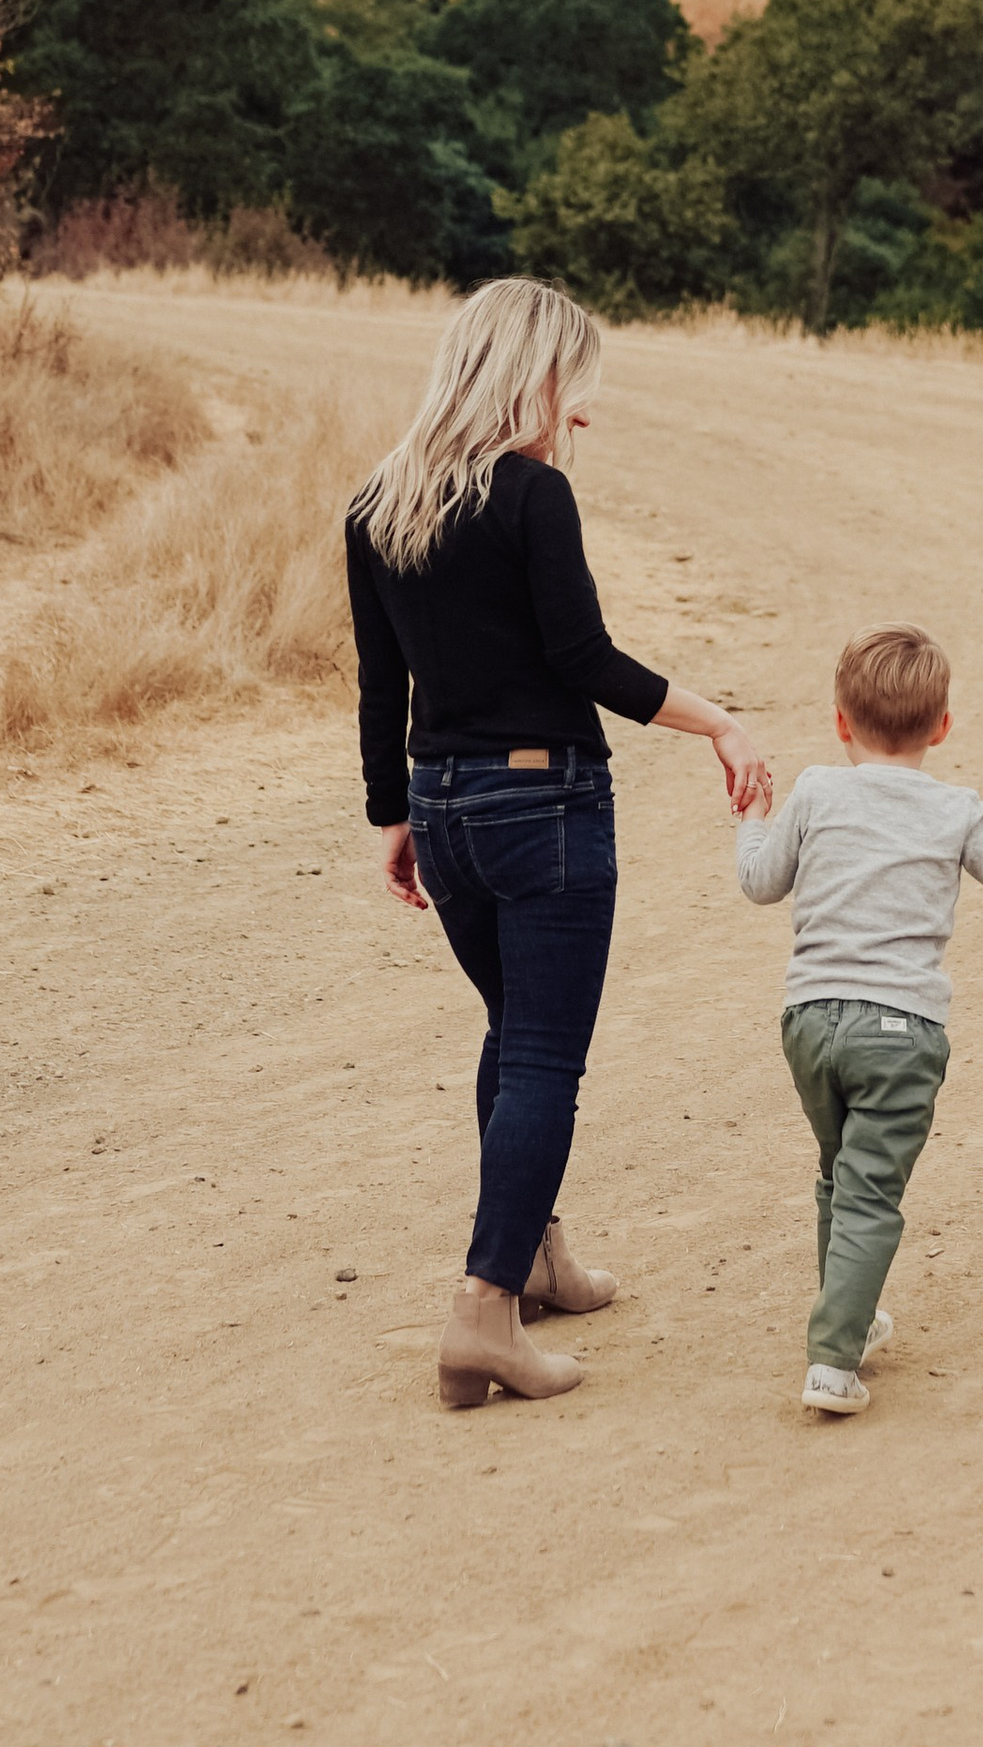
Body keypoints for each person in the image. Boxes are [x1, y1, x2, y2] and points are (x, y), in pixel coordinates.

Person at [349, 277, 772, 1411]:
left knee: (512, 1031)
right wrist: (719, 720)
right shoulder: (532, 499)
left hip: (444, 810)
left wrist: (394, 812)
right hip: (545, 804)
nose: (576, 412)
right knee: (542, 1056)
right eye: (570, 387)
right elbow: (583, 658)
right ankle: (484, 1309)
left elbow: (381, 683)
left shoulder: (377, 504)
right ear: (527, 377)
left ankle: (535, 1256)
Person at [736, 623, 983, 1418]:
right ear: (942, 727)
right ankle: (832, 1362)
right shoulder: (956, 808)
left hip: (808, 1020)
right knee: (871, 1188)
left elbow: (760, 882)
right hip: (899, 1034)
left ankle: (857, 1314)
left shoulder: (815, 789)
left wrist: (754, 815)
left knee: (840, 1171)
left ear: (840, 720)